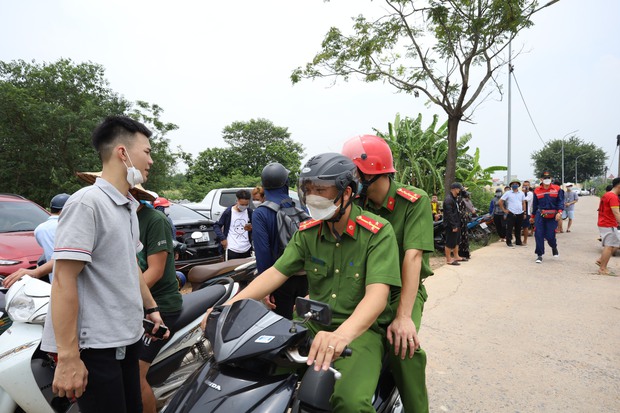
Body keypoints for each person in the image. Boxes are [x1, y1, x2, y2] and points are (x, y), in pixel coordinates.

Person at [201, 153, 402, 412]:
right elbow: (275, 273)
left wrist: (342, 335)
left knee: (350, 402)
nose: (313, 196)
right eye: (308, 190)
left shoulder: (377, 232)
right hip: (309, 327)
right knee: (254, 375)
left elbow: (376, 297)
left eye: (321, 189)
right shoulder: (307, 233)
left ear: (347, 191)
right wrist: (227, 306)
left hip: (358, 333)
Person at [40, 115, 168, 412]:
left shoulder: (126, 206)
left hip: (126, 338)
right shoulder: (87, 203)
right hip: (96, 348)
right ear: (123, 153)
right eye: (147, 152)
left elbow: (130, 265)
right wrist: (69, 357)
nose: (151, 161)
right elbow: (63, 280)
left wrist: (151, 309)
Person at [343, 134, 433, 413]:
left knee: (402, 346)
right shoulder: (356, 204)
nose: (347, 180)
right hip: (366, 286)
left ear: (370, 173)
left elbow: (413, 256)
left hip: (402, 289)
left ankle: (416, 408)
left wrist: (404, 316)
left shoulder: (414, 201)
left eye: (352, 173)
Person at [136, 198, 183, 413]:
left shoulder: (154, 220)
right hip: (132, 304)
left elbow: (154, 271)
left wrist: (118, 297)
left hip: (159, 304)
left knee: (134, 374)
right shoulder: (118, 218)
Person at [253, 163, 308, 319]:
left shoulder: (261, 213)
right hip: (305, 276)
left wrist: (266, 287)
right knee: (304, 320)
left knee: (282, 323)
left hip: (279, 278)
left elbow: (262, 252)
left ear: (264, 185)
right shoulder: (300, 207)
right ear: (286, 182)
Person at [2, 193, 70, 288]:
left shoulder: (39, 229)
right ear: (65, 209)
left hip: (53, 278)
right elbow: (66, 256)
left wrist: (36, 272)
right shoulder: (71, 227)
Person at [530, 171, 564, 264]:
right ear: (541, 179)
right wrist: (532, 216)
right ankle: (539, 255)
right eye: (545, 178)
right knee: (538, 234)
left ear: (551, 178)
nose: (547, 179)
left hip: (553, 215)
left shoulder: (557, 189)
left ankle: (554, 247)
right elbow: (535, 204)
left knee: (550, 235)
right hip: (540, 215)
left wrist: (559, 212)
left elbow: (560, 202)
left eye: (548, 178)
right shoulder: (537, 190)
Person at [214, 189, 253, 260]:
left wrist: (252, 228)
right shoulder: (228, 212)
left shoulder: (250, 212)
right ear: (237, 201)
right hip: (232, 249)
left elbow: (255, 227)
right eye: (242, 204)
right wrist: (223, 239)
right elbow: (216, 226)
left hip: (246, 248)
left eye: (246, 204)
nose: (244, 206)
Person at [596, 177, 620, 276]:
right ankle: (602, 268)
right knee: (609, 246)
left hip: (604, 222)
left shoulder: (607, 195)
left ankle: (601, 261)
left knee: (612, 245)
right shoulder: (613, 197)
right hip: (609, 223)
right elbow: (616, 213)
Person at [499, 180, 526, 248]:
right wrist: (504, 210)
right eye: (513, 184)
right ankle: (509, 242)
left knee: (518, 228)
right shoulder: (508, 193)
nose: (515, 185)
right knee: (509, 228)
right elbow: (500, 201)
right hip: (511, 213)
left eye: (516, 184)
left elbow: (523, 202)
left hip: (520, 213)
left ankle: (518, 241)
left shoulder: (521, 193)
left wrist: (524, 212)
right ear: (511, 185)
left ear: (518, 185)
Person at [443, 183, 463, 265]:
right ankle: (448, 259)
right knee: (450, 242)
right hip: (450, 224)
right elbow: (449, 214)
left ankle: (456, 256)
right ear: (454, 189)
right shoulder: (448, 200)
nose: (460, 190)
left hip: (456, 223)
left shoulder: (454, 198)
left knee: (456, 241)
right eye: (459, 189)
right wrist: (453, 225)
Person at [457, 191, 472, 260]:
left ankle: (464, 253)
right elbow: (470, 209)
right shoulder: (462, 200)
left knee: (463, 237)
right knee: (463, 237)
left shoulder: (459, 200)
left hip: (463, 220)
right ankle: (463, 253)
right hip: (462, 220)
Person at [521, 181, 534, 245]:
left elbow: (524, 200)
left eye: (527, 185)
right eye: (524, 185)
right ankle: (518, 239)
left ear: (529, 186)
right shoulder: (520, 193)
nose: (525, 187)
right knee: (518, 227)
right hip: (519, 212)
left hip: (527, 212)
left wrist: (523, 193)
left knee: (525, 227)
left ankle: (525, 241)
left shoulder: (530, 194)